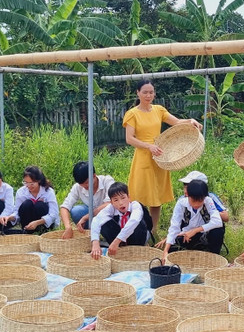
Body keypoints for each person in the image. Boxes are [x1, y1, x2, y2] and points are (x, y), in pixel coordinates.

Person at [124, 79, 202, 236]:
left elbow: (177, 122)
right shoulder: (132, 114)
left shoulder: (158, 110)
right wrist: (148, 146)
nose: (148, 95)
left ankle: (154, 229)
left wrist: (190, 121)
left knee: (156, 195)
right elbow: (129, 139)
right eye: (145, 92)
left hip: (159, 156)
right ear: (138, 93)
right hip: (143, 157)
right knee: (140, 194)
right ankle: (139, 227)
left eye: (151, 92)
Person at [161, 180, 223, 260]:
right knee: (173, 247)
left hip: (205, 234)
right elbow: (174, 227)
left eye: (200, 201)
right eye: (193, 200)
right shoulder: (181, 204)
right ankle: (197, 249)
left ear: (205, 197)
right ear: (187, 195)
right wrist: (166, 250)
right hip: (187, 235)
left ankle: (214, 256)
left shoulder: (208, 201)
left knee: (218, 231)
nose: (196, 204)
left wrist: (195, 230)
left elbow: (217, 221)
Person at [89, 182, 152, 259]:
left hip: (139, 237)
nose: (121, 203)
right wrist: (95, 243)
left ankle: (133, 248)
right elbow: (96, 220)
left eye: (123, 198)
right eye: (116, 200)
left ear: (129, 197)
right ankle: (119, 248)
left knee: (137, 223)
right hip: (119, 239)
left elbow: (134, 220)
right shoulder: (111, 208)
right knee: (103, 222)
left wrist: (117, 241)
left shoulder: (135, 205)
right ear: (111, 202)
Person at [60, 161, 114, 238]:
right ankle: (89, 235)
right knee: (77, 211)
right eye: (81, 184)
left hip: (108, 216)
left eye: (87, 182)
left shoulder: (107, 181)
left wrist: (86, 217)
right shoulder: (78, 187)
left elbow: (109, 204)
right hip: (91, 217)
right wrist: (68, 227)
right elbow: (64, 207)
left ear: (94, 176)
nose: (85, 186)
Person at [6, 166, 58, 234]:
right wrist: (9, 218)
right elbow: (17, 212)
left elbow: (53, 213)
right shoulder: (21, 192)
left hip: (43, 223)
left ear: (39, 181)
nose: (29, 186)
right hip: (28, 223)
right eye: (26, 183)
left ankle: (42, 231)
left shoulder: (48, 191)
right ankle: (27, 231)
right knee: (27, 204)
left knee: (40, 205)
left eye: (32, 183)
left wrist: (37, 222)